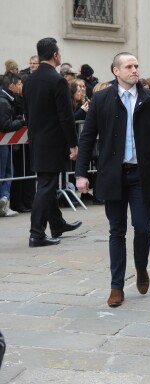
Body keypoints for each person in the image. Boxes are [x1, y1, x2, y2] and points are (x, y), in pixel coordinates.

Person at [75, 52, 150, 307]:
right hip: (113, 174)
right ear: (115, 71)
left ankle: (141, 267)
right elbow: (87, 138)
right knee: (116, 231)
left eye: (137, 66)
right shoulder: (101, 99)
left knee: (143, 228)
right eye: (129, 66)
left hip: (142, 174)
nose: (135, 70)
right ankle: (116, 285)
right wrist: (80, 174)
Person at [22, 37, 82, 247]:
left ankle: (56, 224)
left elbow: (27, 114)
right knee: (46, 186)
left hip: (37, 140)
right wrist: (73, 144)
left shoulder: (29, 80)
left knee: (46, 183)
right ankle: (36, 233)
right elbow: (66, 116)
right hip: (53, 141)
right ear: (56, 55)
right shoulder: (57, 81)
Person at [0, 73, 26, 217]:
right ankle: (3, 202)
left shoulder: (8, 100)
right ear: (12, 86)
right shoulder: (3, 102)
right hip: (2, 144)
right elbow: (5, 125)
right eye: (20, 84)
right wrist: (22, 121)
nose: (21, 86)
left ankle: (4, 201)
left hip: (5, 144)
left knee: (7, 172)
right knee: (5, 173)